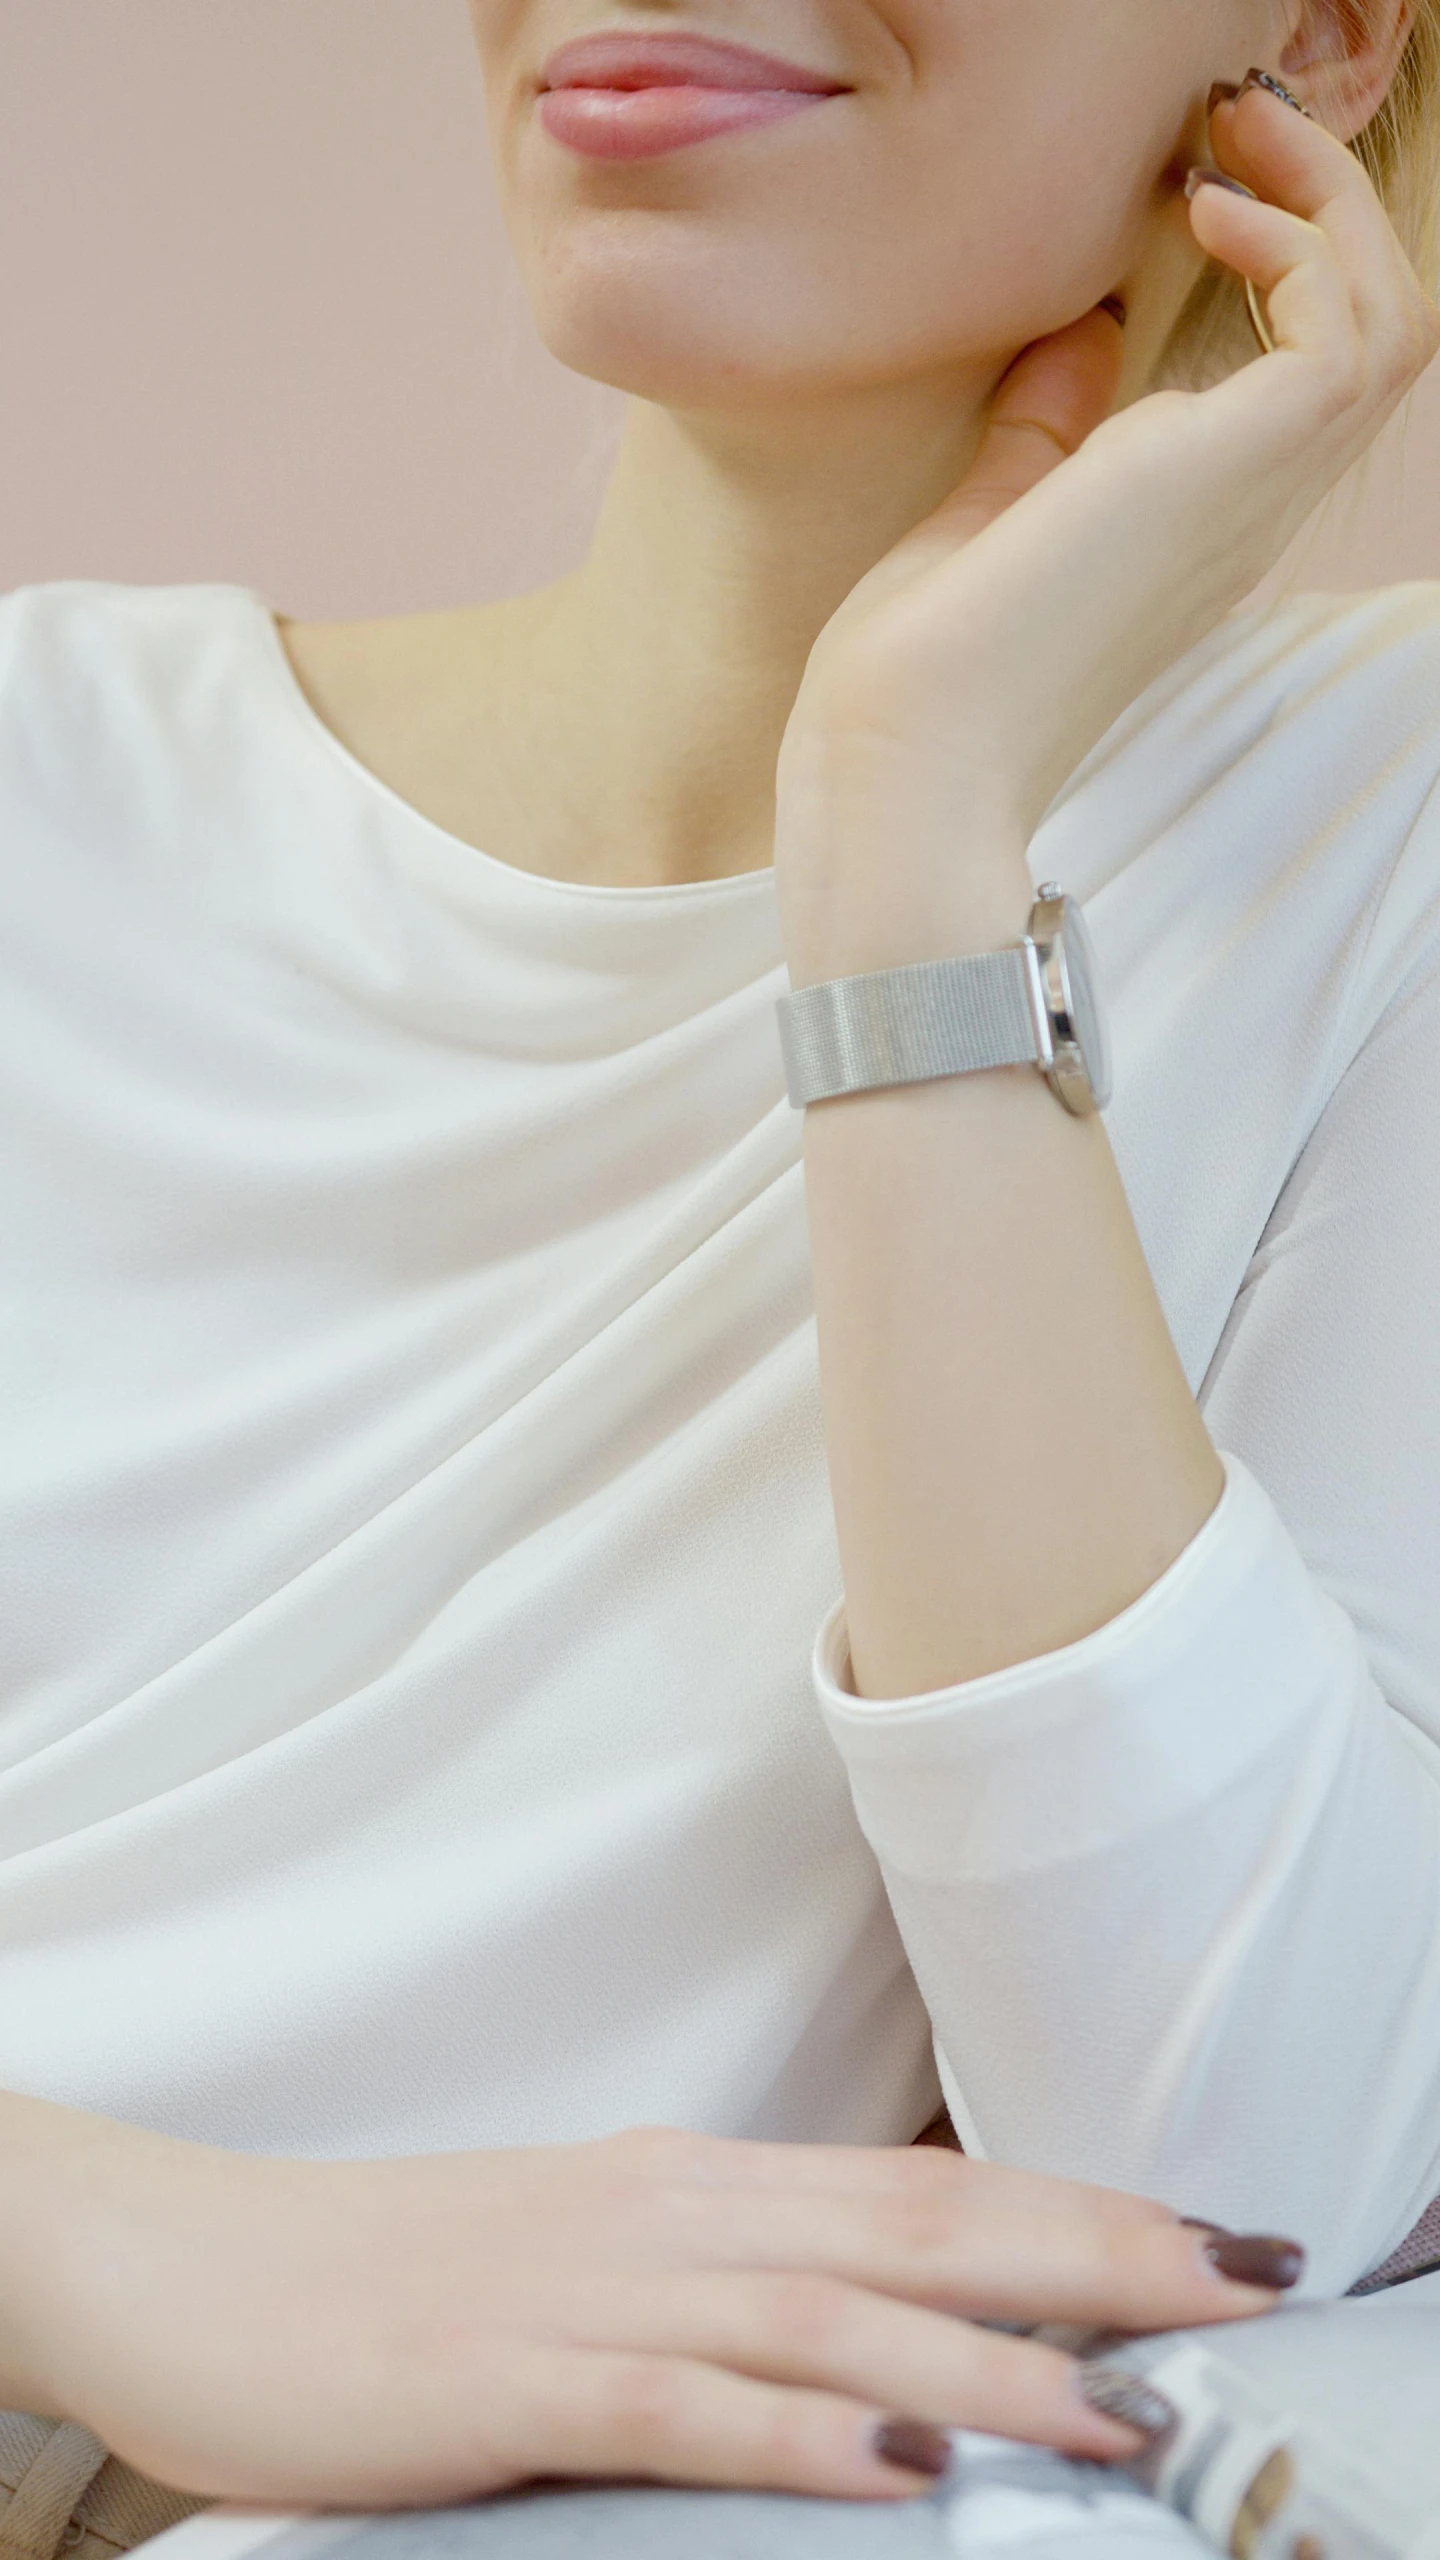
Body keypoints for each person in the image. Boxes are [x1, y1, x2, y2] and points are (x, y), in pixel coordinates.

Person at [1, 0, 1439, 2533]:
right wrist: (132, 2253)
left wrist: (902, 823)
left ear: (1320, 35)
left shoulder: (1374, 839)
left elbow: (1239, 2143)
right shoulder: (48, 779)